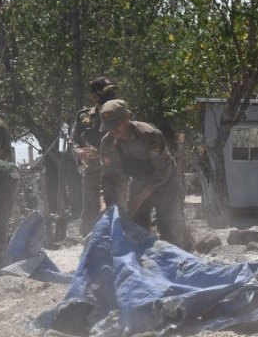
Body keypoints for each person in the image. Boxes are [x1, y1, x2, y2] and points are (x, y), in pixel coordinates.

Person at [98, 99, 194, 251]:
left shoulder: (149, 135)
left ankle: (182, 258)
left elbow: (163, 171)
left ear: (128, 117)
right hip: (140, 180)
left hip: (166, 182)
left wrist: (140, 198)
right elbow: (111, 178)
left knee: (168, 226)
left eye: (117, 124)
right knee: (136, 224)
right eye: (109, 126)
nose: (113, 130)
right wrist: (111, 206)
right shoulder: (108, 143)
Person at [69, 76, 119, 236]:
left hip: (115, 169)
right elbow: (73, 141)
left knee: (116, 206)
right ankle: (89, 242)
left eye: (112, 91)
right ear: (94, 96)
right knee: (90, 208)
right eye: (106, 92)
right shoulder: (83, 116)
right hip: (91, 170)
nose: (110, 95)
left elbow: (125, 140)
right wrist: (79, 152)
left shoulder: (120, 113)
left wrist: (102, 153)